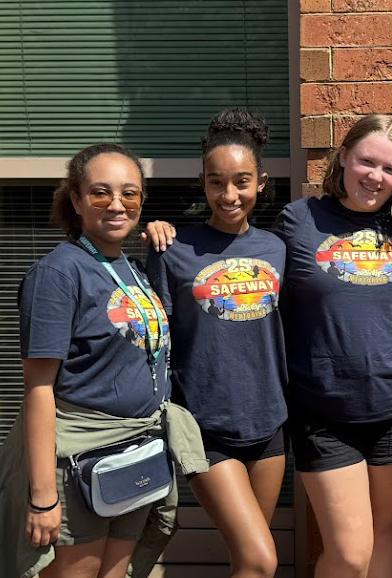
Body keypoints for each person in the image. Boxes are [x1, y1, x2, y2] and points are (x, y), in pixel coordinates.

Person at [1, 143, 207, 578]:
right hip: (79, 465)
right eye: (100, 192)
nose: (116, 203)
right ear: (76, 200)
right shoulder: (59, 273)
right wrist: (42, 497)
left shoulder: (132, 270)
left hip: (134, 457)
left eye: (129, 193)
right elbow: (38, 389)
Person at [271, 114, 392, 578]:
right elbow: (245, 261)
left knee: (385, 531)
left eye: (389, 169)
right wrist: (174, 234)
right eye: (366, 161)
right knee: (349, 552)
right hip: (323, 410)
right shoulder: (298, 221)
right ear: (343, 156)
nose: (375, 177)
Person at [146, 108, 289, 578]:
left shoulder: (276, 248)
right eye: (216, 182)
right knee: (261, 559)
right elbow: (154, 338)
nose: (229, 195)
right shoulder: (173, 249)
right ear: (202, 183)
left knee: (249, 558)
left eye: (241, 181)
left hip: (269, 421)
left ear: (262, 182)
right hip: (204, 426)